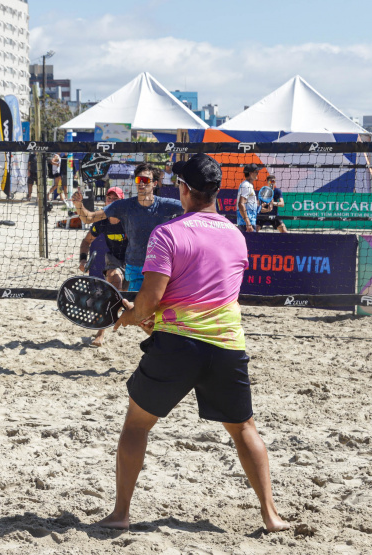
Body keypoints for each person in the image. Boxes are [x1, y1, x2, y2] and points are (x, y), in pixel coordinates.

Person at [98, 153, 289, 533]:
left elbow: (151, 302)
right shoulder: (236, 236)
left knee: (136, 426)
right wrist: (153, 318)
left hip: (178, 346)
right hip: (226, 345)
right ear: (216, 191)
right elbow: (209, 295)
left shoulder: (167, 233)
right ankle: (271, 515)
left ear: (183, 189)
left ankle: (120, 514)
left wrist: (130, 316)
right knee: (244, 429)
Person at [72, 163, 183, 292]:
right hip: (134, 266)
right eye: (138, 180)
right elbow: (88, 218)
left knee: (154, 309)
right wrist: (78, 205)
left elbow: (194, 210)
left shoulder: (167, 205)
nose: (141, 183)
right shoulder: (124, 206)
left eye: (145, 180)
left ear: (155, 183)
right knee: (133, 305)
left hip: (158, 267)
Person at [77, 186, 127, 347]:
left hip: (135, 260)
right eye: (109, 198)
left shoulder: (129, 219)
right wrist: (83, 260)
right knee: (112, 285)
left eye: (115, 199)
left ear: (122, 202)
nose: (111, 202)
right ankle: (101, 333)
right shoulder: (102, 222)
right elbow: (86, 241)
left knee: (128, 301)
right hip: (114, 260)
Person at [236, 163, 260, 233]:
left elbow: (245, 203)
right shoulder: (246, 185)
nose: (257, 174)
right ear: (250, 173)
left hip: (247, 223)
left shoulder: (247, 184)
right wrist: (248, 223)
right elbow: (241, 204)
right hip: (246, 224)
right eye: (256, 172)